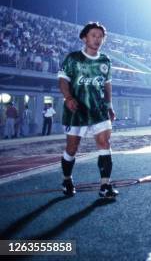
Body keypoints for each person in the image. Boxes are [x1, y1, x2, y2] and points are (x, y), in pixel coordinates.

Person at [57, 22, 118, 199]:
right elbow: (63, 80)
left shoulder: (105, 60)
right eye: (94, 35)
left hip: (98, 110)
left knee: (105, 143)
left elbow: (107, 85)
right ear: (84, 37)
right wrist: (68, 98)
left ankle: (105, 185)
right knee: (72, 148)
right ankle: (67, 179)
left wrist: (110, 105)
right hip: (76, 110)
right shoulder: (73, 58)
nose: (97, 39)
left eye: (100, 36)